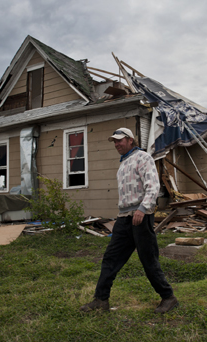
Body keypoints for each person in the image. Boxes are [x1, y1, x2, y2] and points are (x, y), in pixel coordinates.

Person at [80, 127, 178, 314]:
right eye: (114, 141)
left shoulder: (143, 157)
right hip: (124, 218)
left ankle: (168, 297)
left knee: (148, 259)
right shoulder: (124, 162)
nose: (117, 144)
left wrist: (142, 209)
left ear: (130, 140)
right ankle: (101, 300)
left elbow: (153, 186)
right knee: (111, 258)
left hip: (140, 216)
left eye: (120, 140)